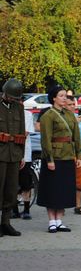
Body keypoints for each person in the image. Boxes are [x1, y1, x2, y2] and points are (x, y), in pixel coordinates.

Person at [38, 85, 81, 233]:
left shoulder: (70, 115)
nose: (65, 98)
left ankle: (59, 220)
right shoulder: (48, 116)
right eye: (61, 95)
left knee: (63, 190)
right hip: (54, 157)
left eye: (65, 95)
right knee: (52, 190)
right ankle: (51, 220)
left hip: (68, 156)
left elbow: (76, 136)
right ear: (54, 98)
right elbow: (46, 140)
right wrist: (49, 159)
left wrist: (78, 154)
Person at [0, 78, 26, 237]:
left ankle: (6, 222)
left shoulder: (19, 108)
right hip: (0, 154)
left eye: (15, 98)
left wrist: (21, 154)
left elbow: (22, 132)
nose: (12, 100)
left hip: (14, 154)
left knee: (11, 190)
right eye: (10, 97)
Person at [12, 106, 35, 220]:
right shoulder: (8, 113)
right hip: (10, 154)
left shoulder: (27, 115)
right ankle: (14, 210)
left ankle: (26, 210)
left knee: (26, 184)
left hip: (25, 154)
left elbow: (24, 134)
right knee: (12, 184)